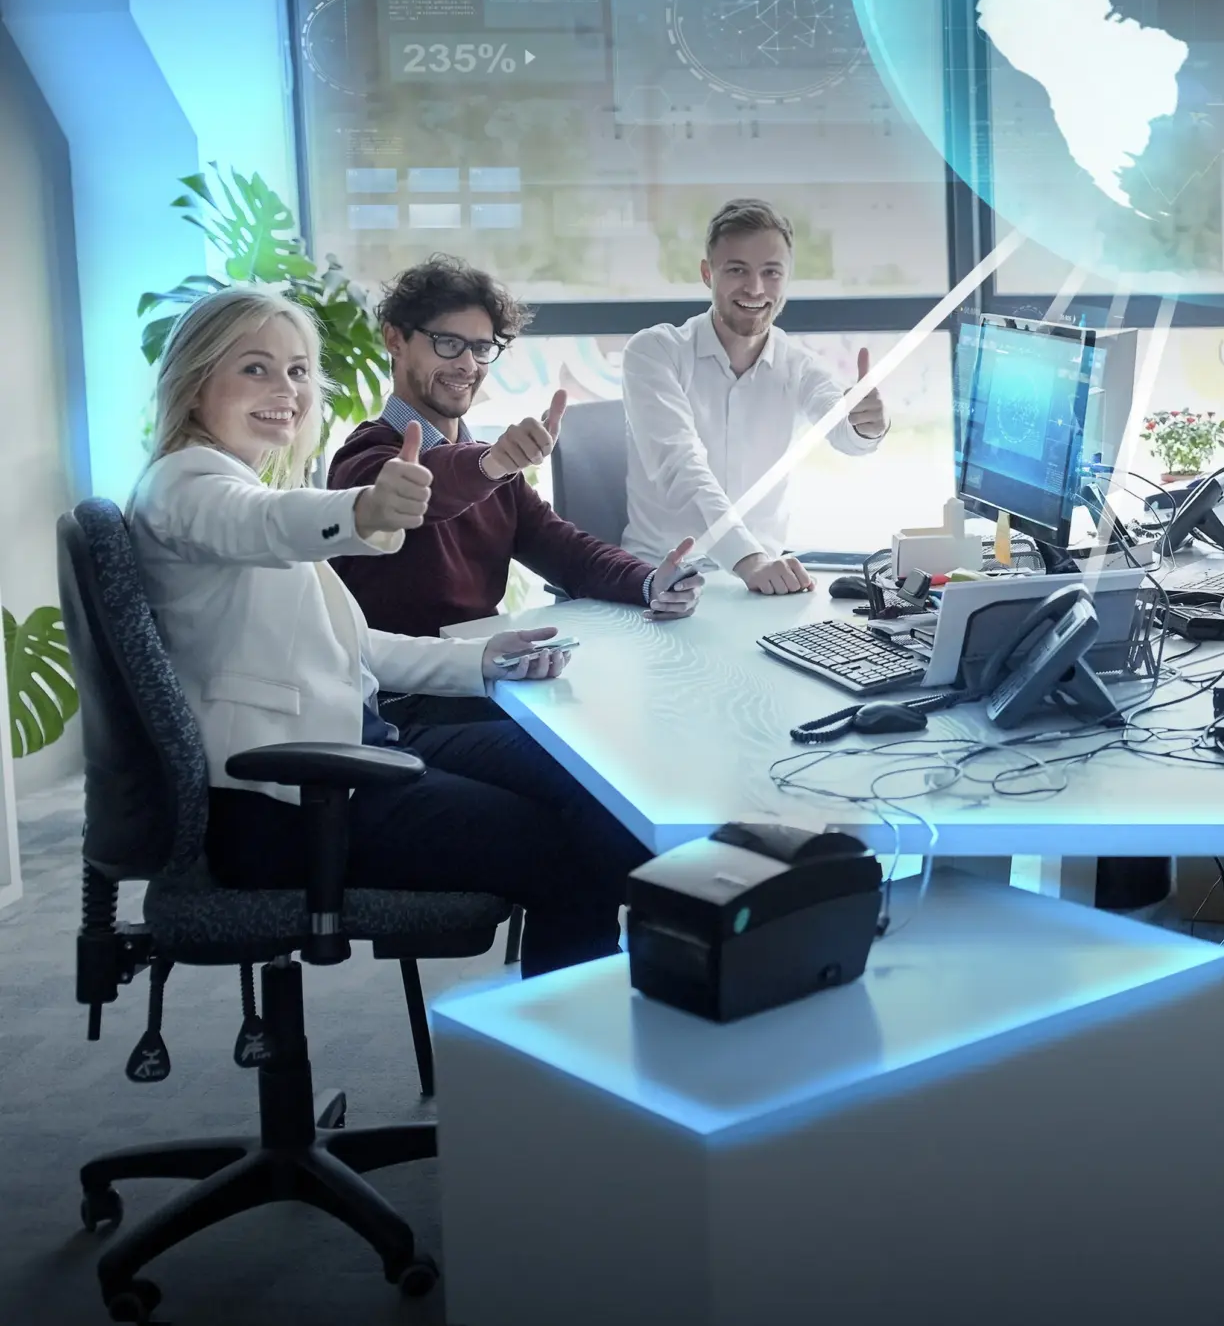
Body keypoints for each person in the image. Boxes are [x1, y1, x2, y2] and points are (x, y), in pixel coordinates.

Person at [126, 286, 649, 974]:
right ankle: (587, 1044)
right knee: (572, 843)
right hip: (287, 805)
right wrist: (368, 507)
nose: (285, 387)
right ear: (195, 382)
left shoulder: (236, 480)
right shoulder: (187, 484)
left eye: (298, 369)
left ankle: (597, 1021)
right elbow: (267, 522)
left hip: (345, 754)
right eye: (254, 367)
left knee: (588, 785)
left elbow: (358, 646)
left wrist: (481, 661)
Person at [329, 257, 701, 696]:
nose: (468, 364)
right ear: (395, 339)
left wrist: (650, 582)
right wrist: (492, 464)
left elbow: (567, 552)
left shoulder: (486, 472)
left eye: (481, 348)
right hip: (411, 706)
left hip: (489, 688)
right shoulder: (365, 459)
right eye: (447, 343)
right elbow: (426, 489)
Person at [619, 199, 890, 594]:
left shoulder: (798, 364)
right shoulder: (654, 352)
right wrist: (750, 560)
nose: (755, 288)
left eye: (771, 272)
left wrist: (867, 425)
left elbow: (843, 429)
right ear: (707, 273)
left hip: (759, 587)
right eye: (737, 270)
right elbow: (680, 466)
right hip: (662, 578)